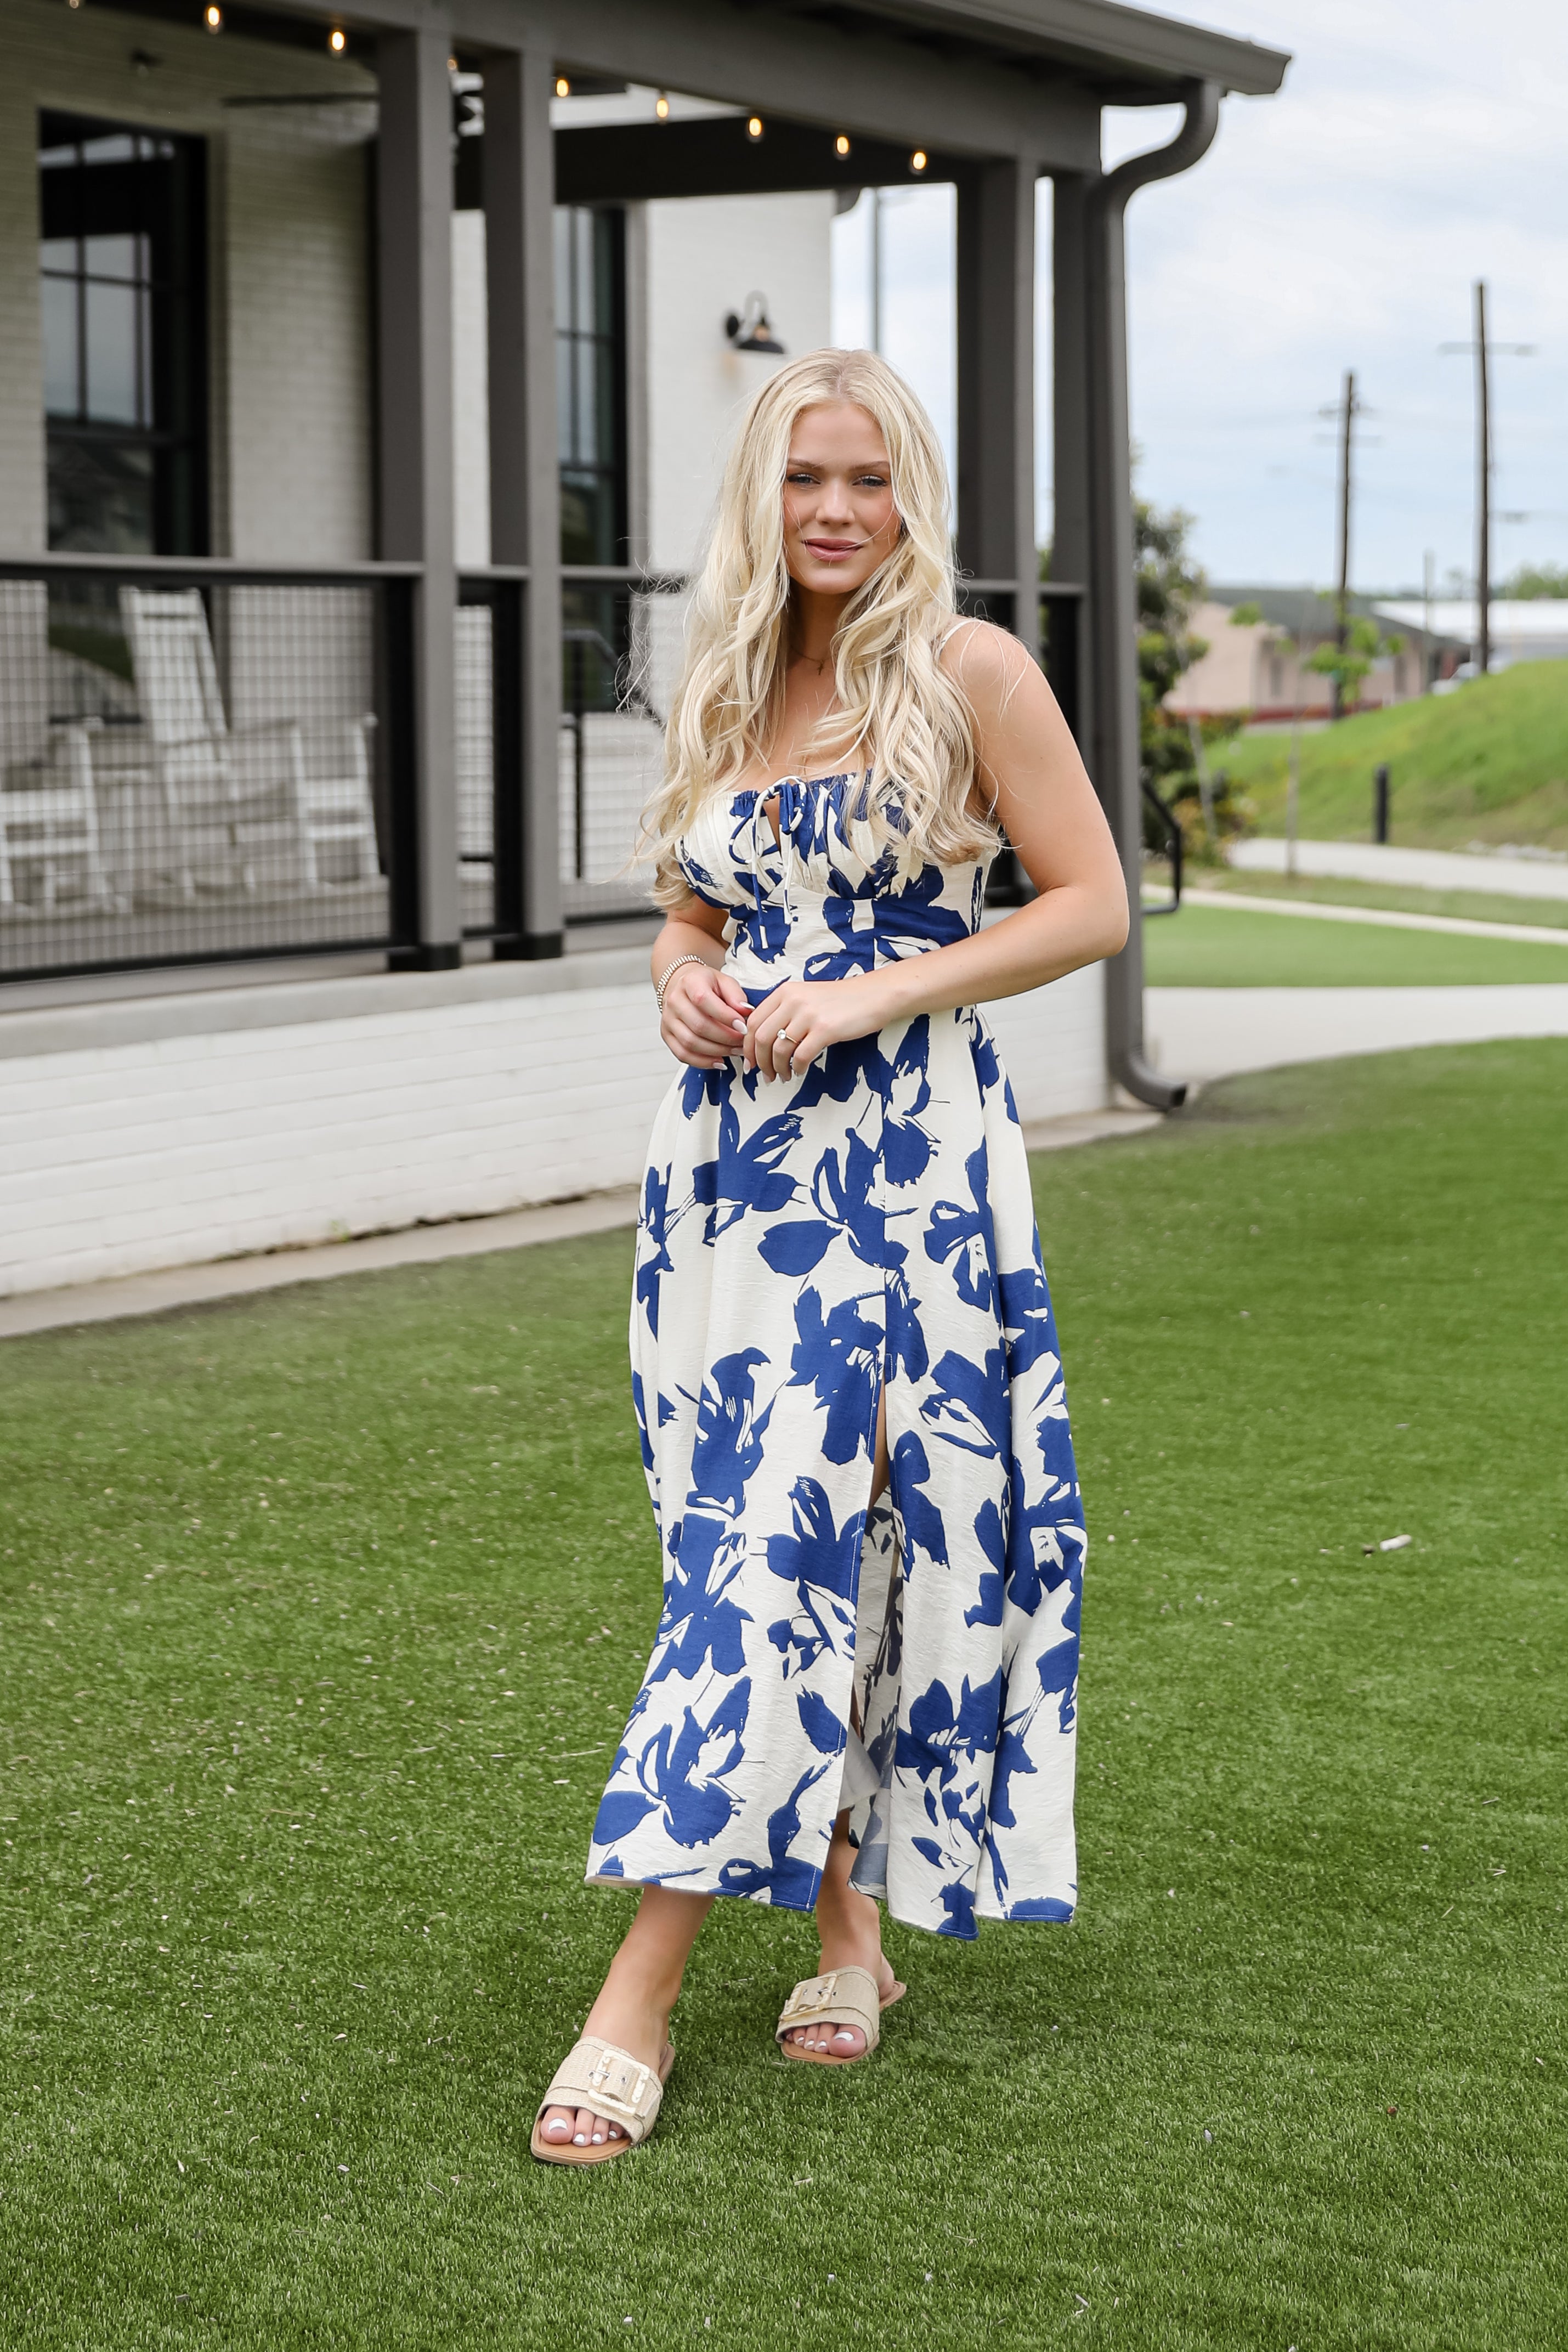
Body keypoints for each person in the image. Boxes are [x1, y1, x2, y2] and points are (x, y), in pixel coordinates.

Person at [532, 348, 1128, 2164]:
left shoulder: (968, 668)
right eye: (806, 478)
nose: (837, 510)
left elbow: (1088, 901)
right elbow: (689, 910)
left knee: (784, 1535)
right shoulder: (726, 677)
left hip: (905, 1166)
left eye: (868, 478)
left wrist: (875, 992)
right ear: (761, 494)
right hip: (723, 1176)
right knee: (752, 1534)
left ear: (907, 493)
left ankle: (632, 1998)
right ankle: (846, 1929)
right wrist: (678, 982)